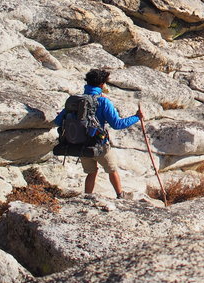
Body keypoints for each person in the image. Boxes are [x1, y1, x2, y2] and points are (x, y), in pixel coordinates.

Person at [55, 68, 143, 199]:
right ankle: (120, 195)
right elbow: (117, 124)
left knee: (91, 172)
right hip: (99, 144)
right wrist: (137, 117)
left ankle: (87, 196)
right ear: (102, 85)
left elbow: (58, 121)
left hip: (80, 144)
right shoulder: (103, 102)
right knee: (112, 169)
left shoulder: (75, 100)